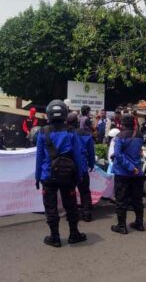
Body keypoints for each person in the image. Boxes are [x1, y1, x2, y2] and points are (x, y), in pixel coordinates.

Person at [35, 100, 87, 247]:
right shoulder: (71, 131)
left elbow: (39, 157)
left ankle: (55, 237)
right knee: (70, 205)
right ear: (64, 113)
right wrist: (80, 175)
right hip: (68, 176)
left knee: (50, 207)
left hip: (48, 176)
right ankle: (74, 234)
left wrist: (37, 177)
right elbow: (77, 155)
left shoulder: (42, 132)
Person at [111, 113, 145, 234]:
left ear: (123, 124)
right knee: (137, 199)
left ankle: (121, 226)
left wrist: (130, 167)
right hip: (137, 173)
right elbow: (139, 150)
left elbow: (118, 155)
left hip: (123, 173)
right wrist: (134, 167)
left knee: (121, 200)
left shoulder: (120, 136)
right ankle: (139, 223)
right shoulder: (140, 136)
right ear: (134, 123)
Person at [67, 112, 95, 222]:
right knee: (84, 191)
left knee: (69, 191)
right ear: (78, 122)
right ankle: (87, 214)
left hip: (69, 167)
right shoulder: (86, 134)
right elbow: (91, 152)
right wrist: (91, 164)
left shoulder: (65, 133)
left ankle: (72, 215)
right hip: (82, 167)